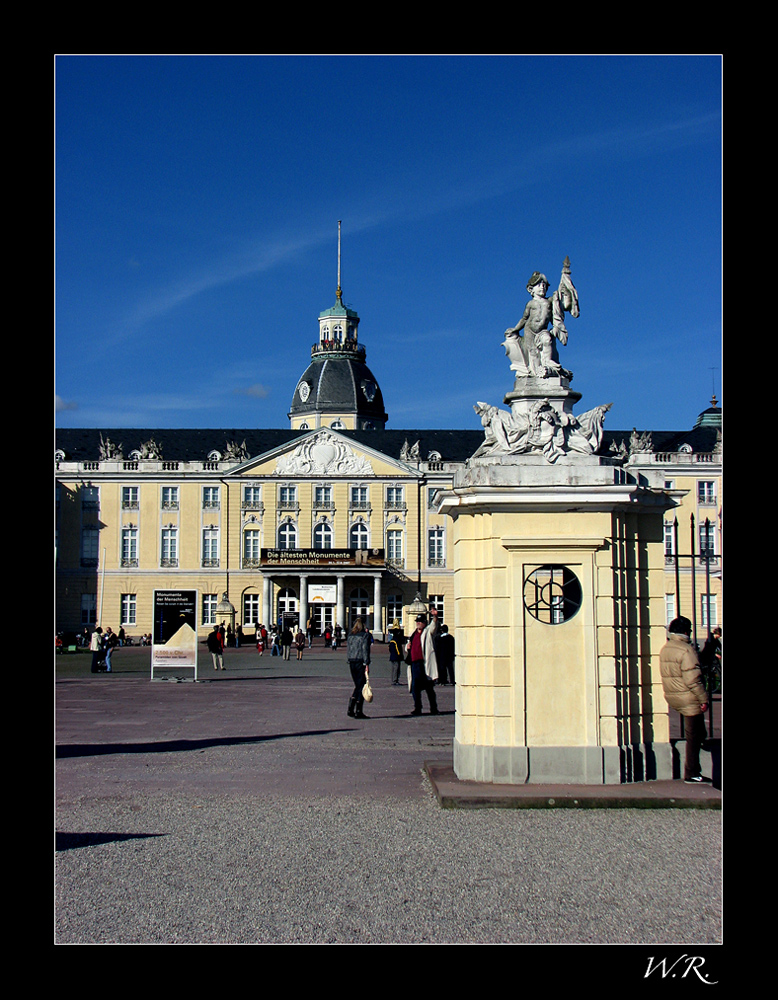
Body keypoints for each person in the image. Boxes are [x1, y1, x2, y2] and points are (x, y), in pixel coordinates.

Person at [659, 617, 709, 783]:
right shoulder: (686, 650)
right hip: (688, 698)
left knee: (697, 733)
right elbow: (693, 679)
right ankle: (692, 773)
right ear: (686, 632)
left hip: (673, 695)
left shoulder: (666, 648)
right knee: (693, 738)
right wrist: (703, 699)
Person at [405, 611, 439, 716]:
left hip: (424, 664)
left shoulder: (427, 631)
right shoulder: (413, 633)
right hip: (414, 664)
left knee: (429, 687)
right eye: (417, 621)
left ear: (425, 623)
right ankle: (417, 707)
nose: (418, 623)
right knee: (415, 688)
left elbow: (434, 626)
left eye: (420, 621)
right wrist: (407, 647)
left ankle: (433, 708)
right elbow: (408, 646)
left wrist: (435, 616)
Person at [346, 619, 371, 719]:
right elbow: (365, 650)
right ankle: (358, 710)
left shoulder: (350, 636)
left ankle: (351, 708)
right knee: (362, 685)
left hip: (352, 662)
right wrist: (367, 663)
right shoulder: (364, 636)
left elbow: (349, 649)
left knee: (358, 685)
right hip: (360, 662)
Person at [388, 621, 405, 685]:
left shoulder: (393, 639)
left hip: (393, 656)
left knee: (395, 669)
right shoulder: (396, 640)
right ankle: (395, 680)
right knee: (396, 669)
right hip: (396, 656)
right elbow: (398, 649)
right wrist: (400, 655)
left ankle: (395, 680)